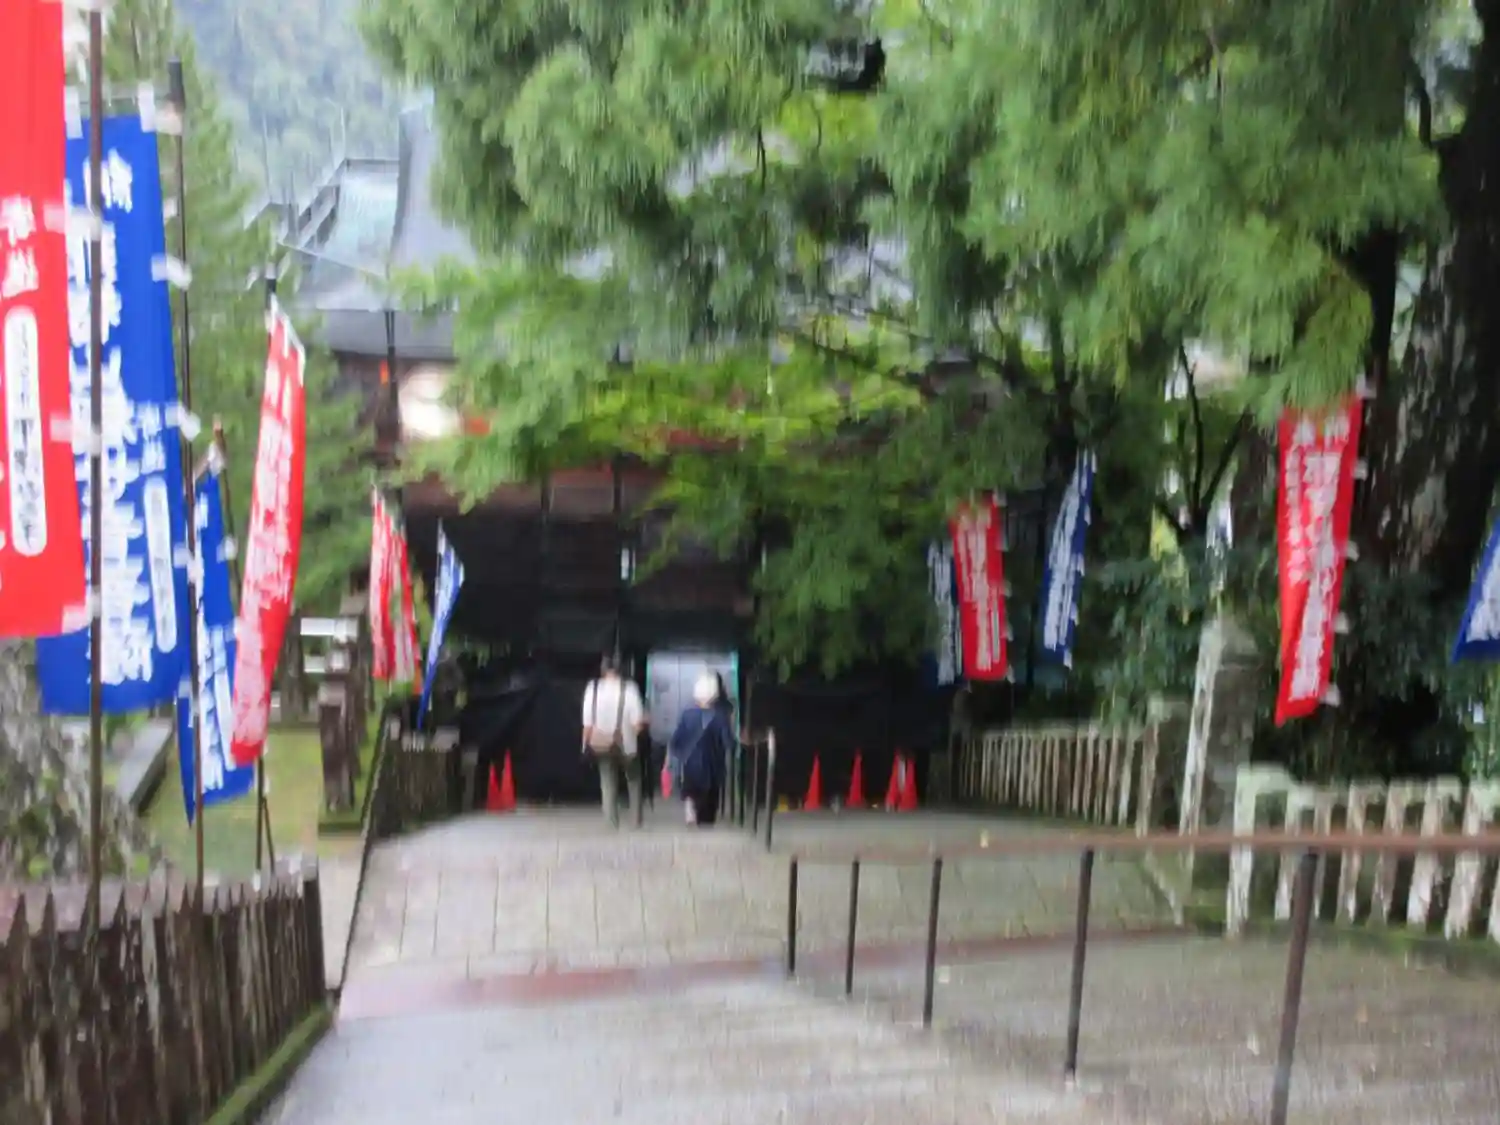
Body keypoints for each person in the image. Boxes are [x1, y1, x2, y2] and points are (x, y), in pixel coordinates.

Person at [582, 655, 648, 828]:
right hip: (627, 744)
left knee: (607, 781)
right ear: (621, 670)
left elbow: (587, 724)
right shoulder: (630, 689)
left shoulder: (592, 688)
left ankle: (611, 822)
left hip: (601, 743)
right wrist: (640, 729)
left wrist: (584, 745)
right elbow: (637, 724)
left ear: (602, 669)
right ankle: (635, 820)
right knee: (633, 779)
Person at [668, 672, 735, 826]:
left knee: (691, 788)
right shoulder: (720, 717)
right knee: (708, 808)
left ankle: (690, 805)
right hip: (712, 767)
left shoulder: (687, 715)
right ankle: (704, 822)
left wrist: (678, 755)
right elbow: (728, 741)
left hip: (690, 764)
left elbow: (676, 740)